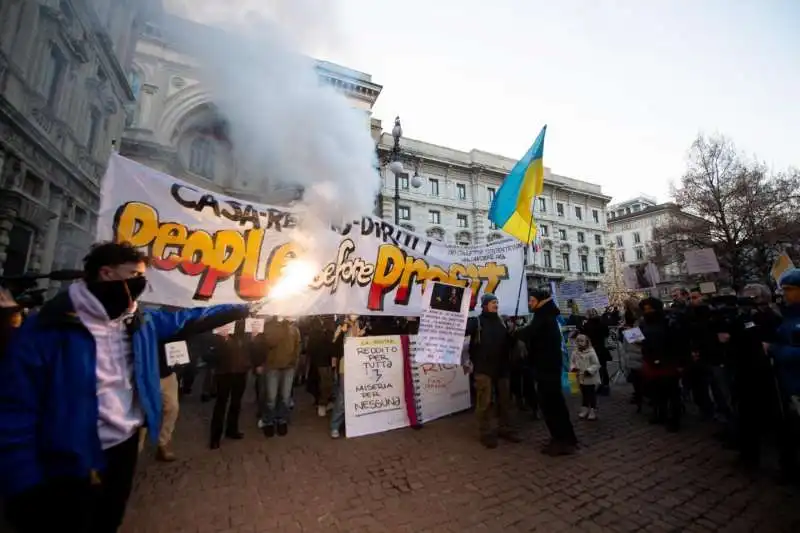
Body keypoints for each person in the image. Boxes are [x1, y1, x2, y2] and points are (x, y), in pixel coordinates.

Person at [0, 242, 258, 533]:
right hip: (68, 456)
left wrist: (243, 308)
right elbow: (14, 412)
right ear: (107, 273)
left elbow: (191, 318)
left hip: (123, 448)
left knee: (109, 521)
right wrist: (23, 486)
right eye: (134, 275)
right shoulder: (46, 329)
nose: (141, 283)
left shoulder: (142, 321)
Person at [517, 287, 577, 456]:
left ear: (540, 301)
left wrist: (516, 334)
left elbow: (530, 332)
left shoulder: (544, 317)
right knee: (553, 404)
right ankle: (563, 437)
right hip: (545, 367)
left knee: (552, 405)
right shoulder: (544, 315)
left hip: (547, 368)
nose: (529, 303)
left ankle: (562, 440)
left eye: (532, 300)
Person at [465, 294, 521, 448]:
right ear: (484, 305)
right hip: (484, 369)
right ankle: (486, 433)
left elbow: (508, 344)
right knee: (485, 402)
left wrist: (513, 335)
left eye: (497, 302)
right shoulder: (476, 322)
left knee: (505, 401)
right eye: (492, 302)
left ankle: (505, 429)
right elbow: (461, 331)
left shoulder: (502, 321)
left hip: (502, 368)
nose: (496, 304)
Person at [767, 268, 800, 484]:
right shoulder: (788, 315)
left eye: (789, 289)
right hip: (788, 384)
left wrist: (774, 350)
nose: (784, 294)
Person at [639, 297, 684, 432]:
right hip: (651, 361)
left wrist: (679, 362)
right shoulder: (644, 324)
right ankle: (660, 414)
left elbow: (677, 343)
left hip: (668, 361)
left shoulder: (669, 322)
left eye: (650, 309)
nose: (648, 312)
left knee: (672, 392)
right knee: (656, 391)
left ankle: (674, 419)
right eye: (645, 310)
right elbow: (642, 340)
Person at [209, 320, 256, 449]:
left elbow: (252, 350)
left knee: (236, 402)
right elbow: (211, 354)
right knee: (221, 403)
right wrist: (223, 340)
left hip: (241, 371)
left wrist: (254, 339)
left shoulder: (246, 328)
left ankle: (232, 429)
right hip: (224, 372)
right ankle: (215, 436)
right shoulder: (221, 328)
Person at [259, 317, 302, 437]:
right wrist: (281, 325)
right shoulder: (269, 325)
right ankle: (268, 421)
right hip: (273, 367)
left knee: (285, 397)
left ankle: (282, 420)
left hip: (288, 368)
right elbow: (270, 342)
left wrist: (295, 362)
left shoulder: (294, 328)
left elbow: (297, 346)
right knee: (271, 398)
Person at [329, 315, 366, 438]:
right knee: (343, 396)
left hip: (358, 365)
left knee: (357, 394)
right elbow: (334, 345)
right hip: (345, 365)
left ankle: (352, 423)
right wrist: (342, 332)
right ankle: (335, 425)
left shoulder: (361, 324)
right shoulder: (341, 325)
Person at [580, 308, 611, 395]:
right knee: (603, 368)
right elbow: (606, 334)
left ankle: (593, 386)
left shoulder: (586, 325)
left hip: (591, 349)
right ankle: (605, 386)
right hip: (601, 348)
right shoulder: (602, 324)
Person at [570, 334, 601, 421]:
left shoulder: (591, 352)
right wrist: (573, 368)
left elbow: (596, 364)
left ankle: (593, 410)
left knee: (591, 394)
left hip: (590, 377)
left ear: (586, 342)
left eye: (582, 341)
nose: (580, 343)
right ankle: (585, 409)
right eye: (578, 341)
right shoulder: (575, 352)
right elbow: (572, 362)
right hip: (580, 376)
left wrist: (589, 370)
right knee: (584, 394)